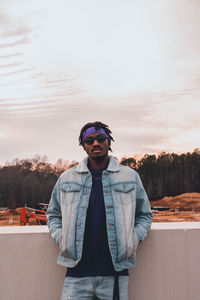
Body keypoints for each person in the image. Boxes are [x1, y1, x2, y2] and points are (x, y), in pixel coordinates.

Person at [47, 121, 153, 300]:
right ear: (83, 146)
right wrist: (62, 238)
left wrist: (132, 239)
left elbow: (144, 215)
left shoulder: (129, 176)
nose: (95, 143)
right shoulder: (66, 178)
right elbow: (53, 214)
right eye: (89, 141)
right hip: (76, 273)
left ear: (108, 141)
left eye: (100, 138)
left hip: (115, 273)